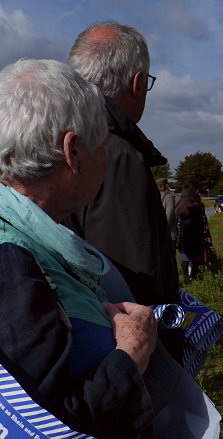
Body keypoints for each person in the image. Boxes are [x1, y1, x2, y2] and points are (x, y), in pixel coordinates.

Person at [0, 59, 158, 439]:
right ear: (73, 151)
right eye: (102, 145)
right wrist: (131, 355)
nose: (106, 158)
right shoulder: (12, 261)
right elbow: (49, 431)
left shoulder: (27, 232)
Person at [63, 21, 181, 362]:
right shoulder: (115, 155)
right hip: (123, 360)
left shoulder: (57, 139)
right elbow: (132, 287)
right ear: (138, 83)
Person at [176, 181, 208, 281]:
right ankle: (193, 276)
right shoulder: (197, 205)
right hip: (195, 234)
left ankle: (185, 277)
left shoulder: (180, 204)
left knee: (184, 257)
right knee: (195, 258)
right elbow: (201, 221)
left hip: (183, 234)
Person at [158, 178, 177, 250]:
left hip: (159, 232)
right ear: (165, 185)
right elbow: (169, 214)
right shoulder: (169, 196)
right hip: (168, 233)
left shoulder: (154, 195)